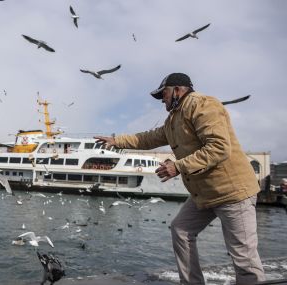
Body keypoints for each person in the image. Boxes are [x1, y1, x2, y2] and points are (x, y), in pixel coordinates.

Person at [94, 73, 265, 284]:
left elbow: (219, 148)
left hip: (232, 192)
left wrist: (177, 166)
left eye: (163, 94)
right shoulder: (174, 119)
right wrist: (116, 140)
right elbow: (148, 138)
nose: (162, 100)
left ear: (178, 90)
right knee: (181, 230)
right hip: (204, 194)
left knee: (244, 257)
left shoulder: (203, 105)